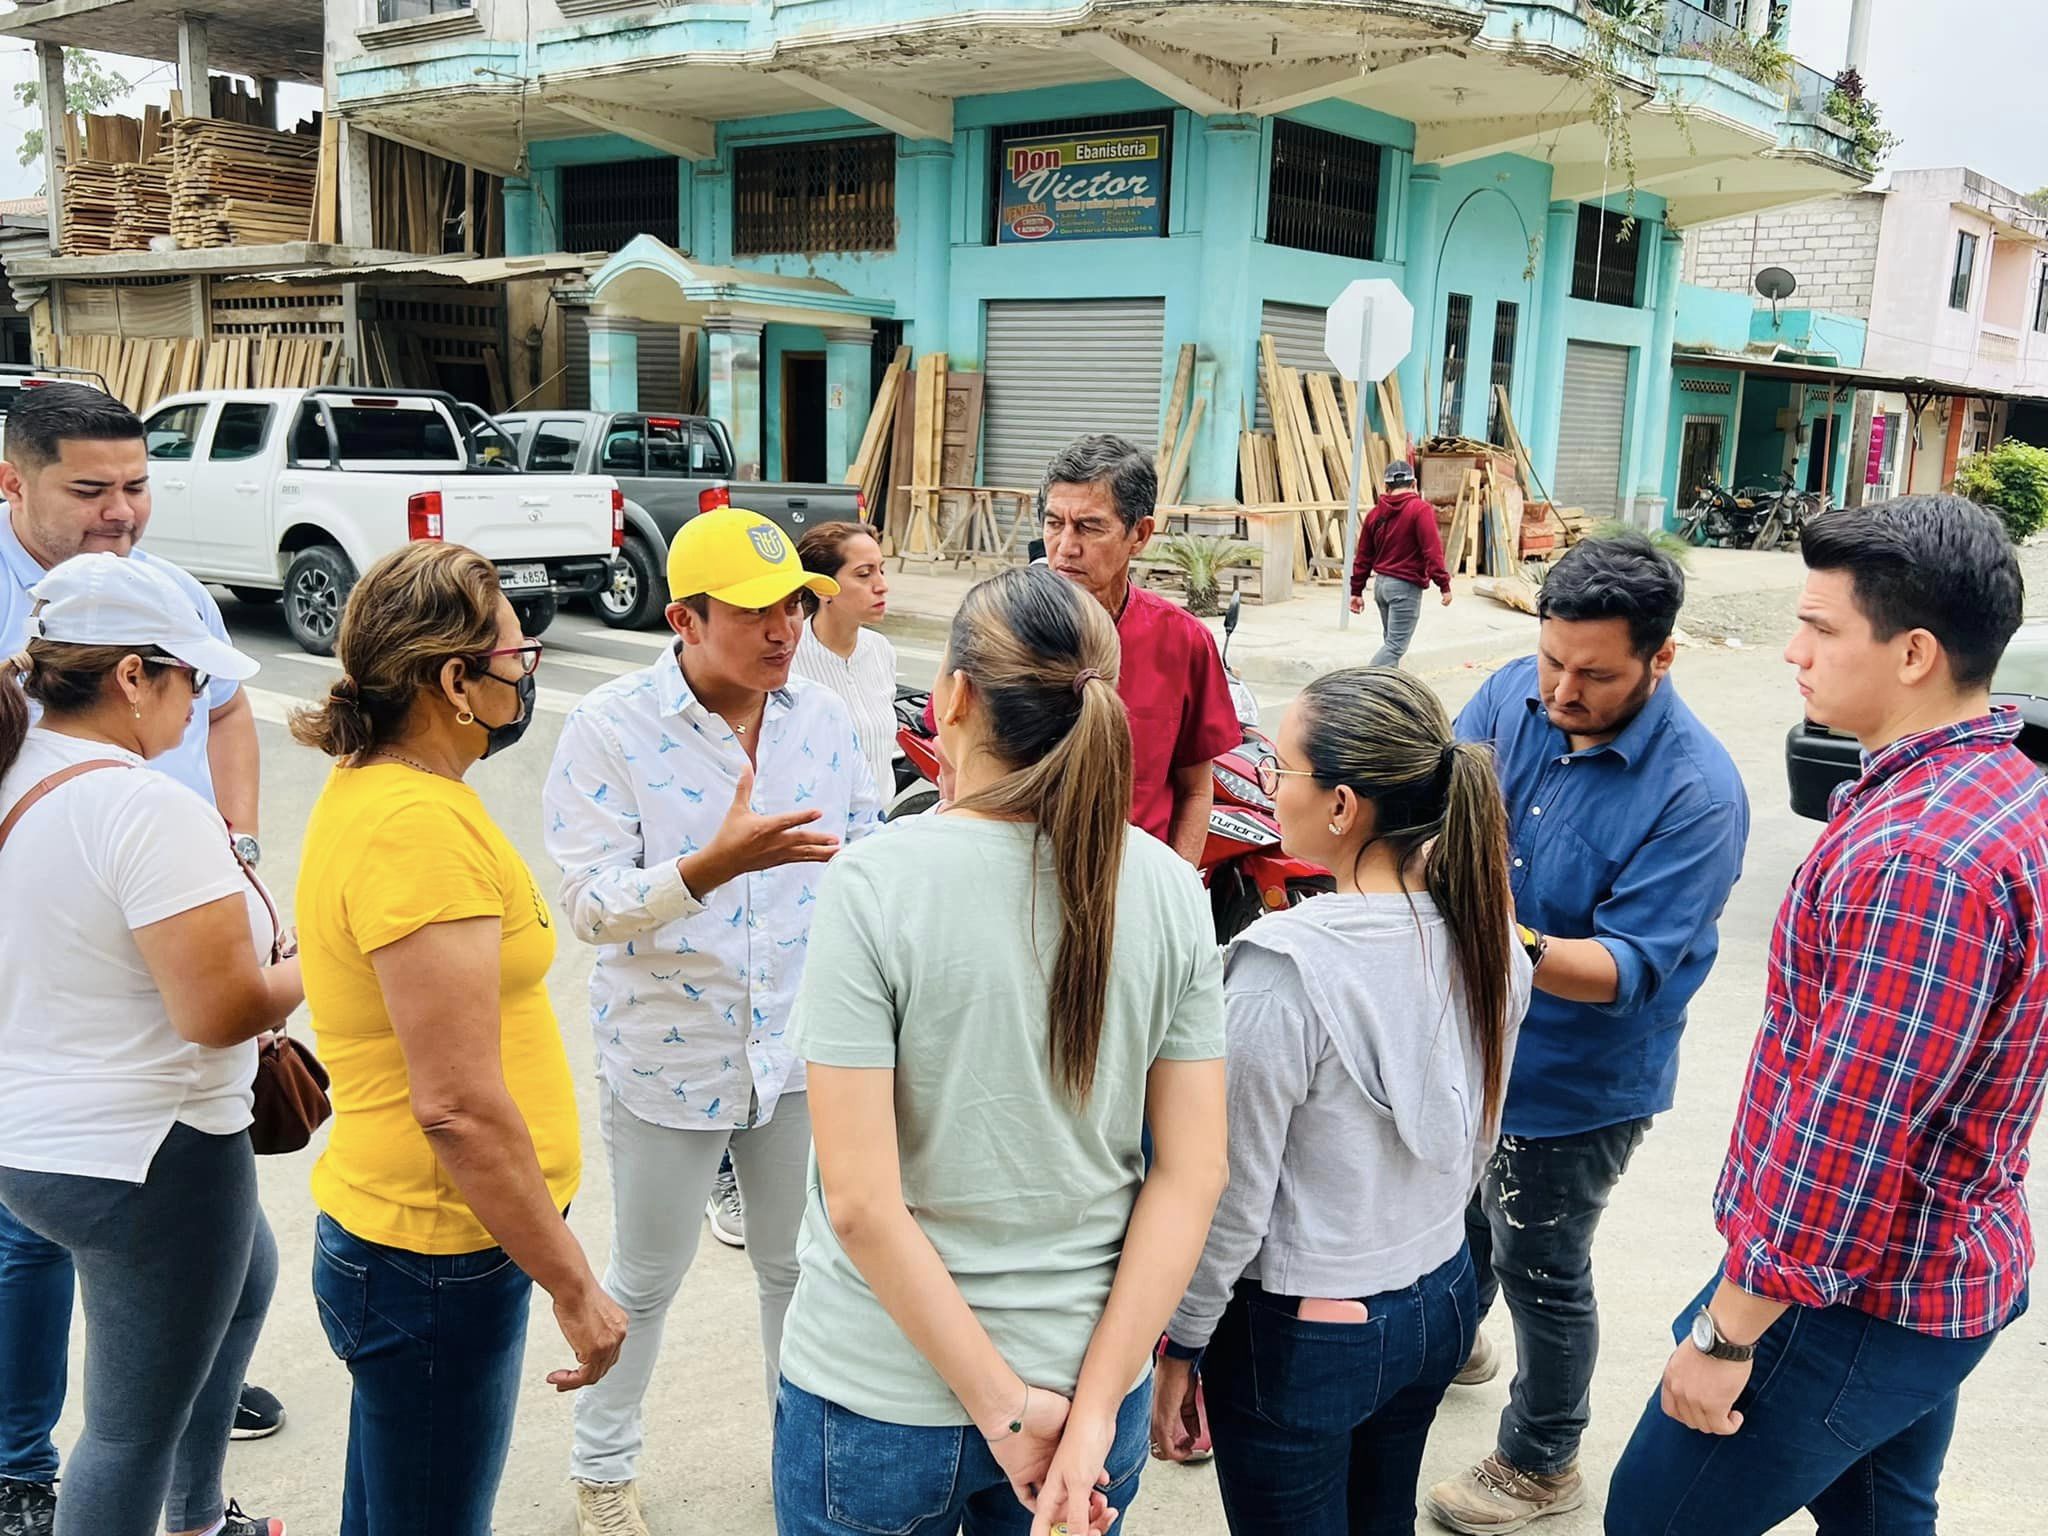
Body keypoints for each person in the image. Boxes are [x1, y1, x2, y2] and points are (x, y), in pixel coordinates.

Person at [1606, 497, 2047, 1536]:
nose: (1792, 652)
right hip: (1932, 1266)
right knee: (1882, 1516)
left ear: (1914, 654)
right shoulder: (1996, 786)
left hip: (1854, 1290)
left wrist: (1726, 1335)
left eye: (1819, 627)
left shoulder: (1921, 859)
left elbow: (1849, 1126)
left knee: (1652, 1521)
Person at [772, 565, 1229, 1536]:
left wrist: (1006, 1411)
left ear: (954, 698)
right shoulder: (1167, 889)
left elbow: (861, 1204)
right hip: (1088, 1398)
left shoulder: (874, 884)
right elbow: (1191, 1176)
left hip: (881, 1396)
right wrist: (1090, 1415)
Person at [544, 508, 880, 1536]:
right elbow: (588, 905)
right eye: (753, 613)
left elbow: (865, 857)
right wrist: (705, 870)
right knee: (646, 1278)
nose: (783, 631)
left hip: (798, 1052)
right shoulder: (610, 727)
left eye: (794, 607)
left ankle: (798, 1460)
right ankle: (602, 1472)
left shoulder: (823, 721)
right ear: (683, 619)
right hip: (668, 1057)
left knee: (796, 1270)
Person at [291, 543, 625, 1534]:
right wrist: (574, 1284)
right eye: (517, 655)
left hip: (428, 1248)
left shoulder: (403, 790)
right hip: (435, 1256)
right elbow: (457, 1108)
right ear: (453, 681)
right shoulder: (415, 830)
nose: (527, 673)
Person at [1155, 667, 1530, 1534]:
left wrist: (1183, 1341)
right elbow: (1477, 1139)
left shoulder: (1283, 971)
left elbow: (1227, 1192)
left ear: (1341, 806)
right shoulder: (1490, 936)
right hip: (1440, 1294)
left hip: (1306, 1334)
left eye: (1280, 767)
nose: (1267, 785)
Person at [1427, 532, 1749, 1535]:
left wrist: (1494, 931)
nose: (1562, 692)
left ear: (1661, 658)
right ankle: (1451, 1346)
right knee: (1456, 1219)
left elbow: (1623, 969)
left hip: (1579, 1076)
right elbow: (1441, 805)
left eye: (1595, 676)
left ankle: (1542, 1458)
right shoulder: (1509, 698)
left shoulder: (1696, 794)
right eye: (1551, 661)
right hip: (1471, 1040)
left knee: (1541, 1262)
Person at [0, 385, 277, 1536]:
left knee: (240, 1284)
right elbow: (219, 1010)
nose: (119, 509)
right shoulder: (134, 801)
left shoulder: (29, 756)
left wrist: (235, 862)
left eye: (135, 486)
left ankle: (194, 1500)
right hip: (137, 1130)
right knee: (123, 1430)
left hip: (56, 1103)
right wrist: (318, 955)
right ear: (129, 677)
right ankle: (72, 1480)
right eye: (187, 678)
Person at [929, 435, 1238, 863]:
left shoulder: (1184, 642)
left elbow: (1196, 789)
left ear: (1140, 534)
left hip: (1129, 878)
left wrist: (1177, 881)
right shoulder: (996, 625)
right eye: (1054, 524)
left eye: (1089, 527)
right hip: (1014, 874)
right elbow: (948, 749)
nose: (1066, 547)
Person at [1347, 461, 1452, 669]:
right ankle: (1366, 682)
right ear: (1414, 483)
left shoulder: (1375, 514)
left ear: (1386, 487)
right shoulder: (1420, 510)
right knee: (1395, 647)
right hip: (1405, 588)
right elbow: (1432, 551)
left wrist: (1356, 591)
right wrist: (1444, 585)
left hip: (1381, 587)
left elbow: (1363, 557)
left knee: (1390, 645)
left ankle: (1387, 687)